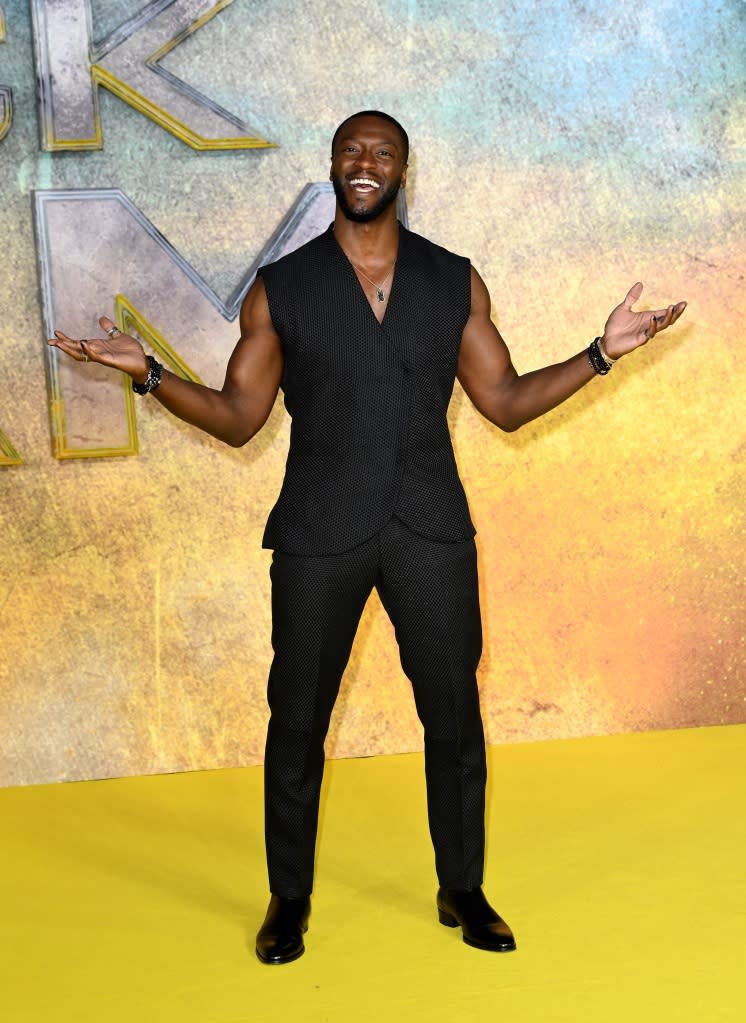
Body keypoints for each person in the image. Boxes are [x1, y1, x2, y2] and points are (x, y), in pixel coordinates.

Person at [49, 110, 687, 965]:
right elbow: (241, 419)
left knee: (455, 717)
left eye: (382, 151)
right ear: (333, 165)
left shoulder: (454, 280)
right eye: (352, 149)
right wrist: (154, 375)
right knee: (297, 721)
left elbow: (503, 400)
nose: (365, 162)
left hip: (431, 527)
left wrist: (599, 355)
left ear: (402, 171)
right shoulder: (283, 286)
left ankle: (462, 885)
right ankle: (289, 898)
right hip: (320, 530)